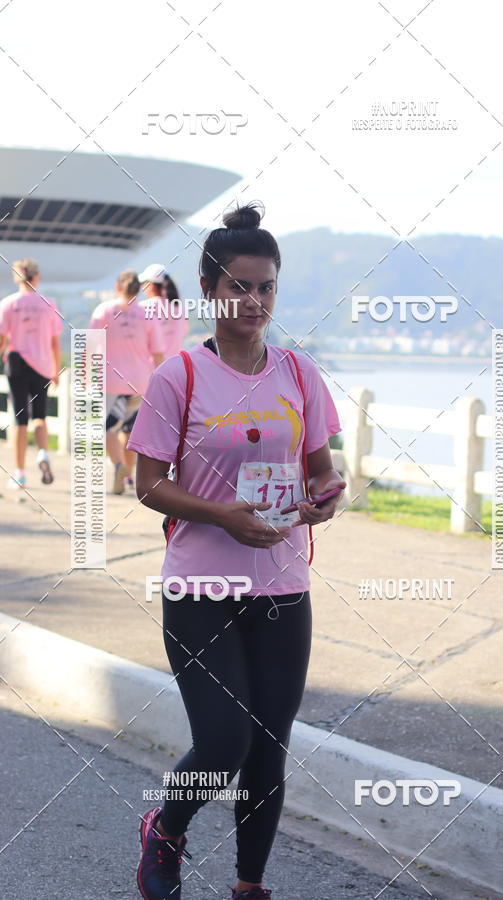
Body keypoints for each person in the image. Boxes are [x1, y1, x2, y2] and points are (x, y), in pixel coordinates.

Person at [127, 202, 345, 900]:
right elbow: (149, 484)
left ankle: (250, 885)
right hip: (201, 589)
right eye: (239, 287)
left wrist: (326, 495)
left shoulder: (298, 374)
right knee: (225, 741)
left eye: (267, 287)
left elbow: (320, 467)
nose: (253, 301)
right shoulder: (179, 378)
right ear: (211, 290)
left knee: (269, 747)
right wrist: (221, 515)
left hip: (282, 586)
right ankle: (166, 827)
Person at [88, 269, 164, 494]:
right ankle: (128, 476)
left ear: (117, 287)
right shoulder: (147, 315)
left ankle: (120, 466)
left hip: (112, 381)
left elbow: (90, 346)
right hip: (141, 382)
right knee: (130, 431)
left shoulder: (104, 310)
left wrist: (85, 376)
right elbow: (158, 354)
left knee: (110, 429)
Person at [0, 258, 62, 488]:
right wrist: (55, 370)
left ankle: (19, 473)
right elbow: (55, 342)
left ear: (17, 278)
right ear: (37, 277)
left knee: (19, 419)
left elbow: (1, 339)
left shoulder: (8, 304)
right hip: (43, 364)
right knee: (40, 417)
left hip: (17, 362)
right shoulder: (49, 303)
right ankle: (43, 453)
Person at [139, 263, 189, 361]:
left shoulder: (142, 307)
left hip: (150, 369)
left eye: (144, 283)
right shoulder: (179, 309)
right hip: (174, 367)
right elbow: (184, 330)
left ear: (151, 285)